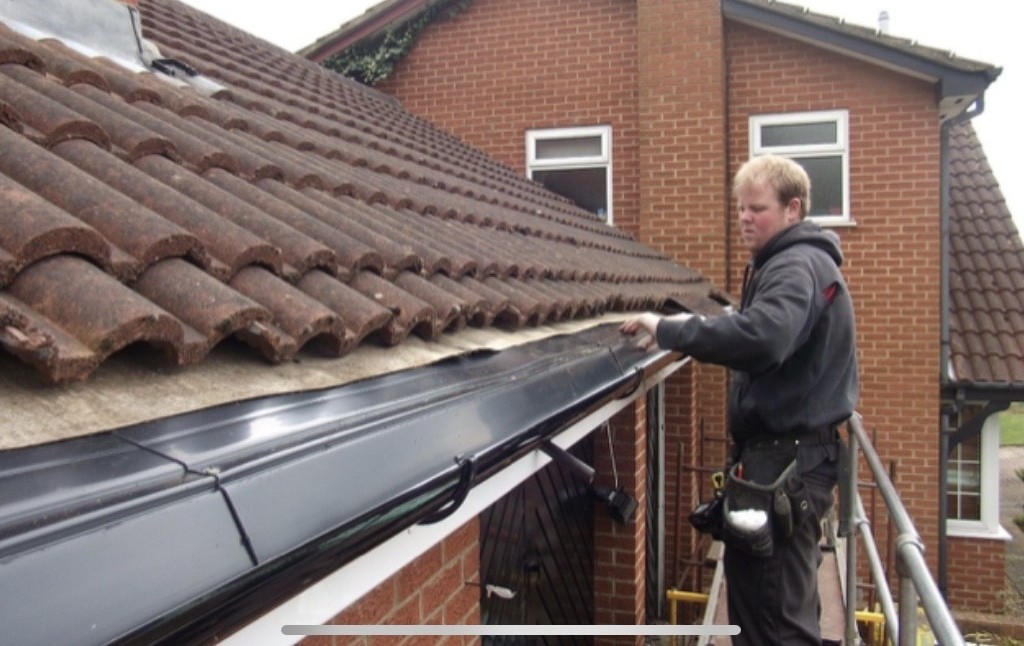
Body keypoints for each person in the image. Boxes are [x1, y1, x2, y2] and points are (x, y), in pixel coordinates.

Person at [620, 155, 859, 645]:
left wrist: (668, 330)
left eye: (758, 208)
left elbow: (764, 337)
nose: (745, 218)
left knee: (772, 623)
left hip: (787, 465)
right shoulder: (797, 262)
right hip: (794, 461)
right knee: (780, 609)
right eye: (741, 208)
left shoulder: (794, 266)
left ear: (793, 209)